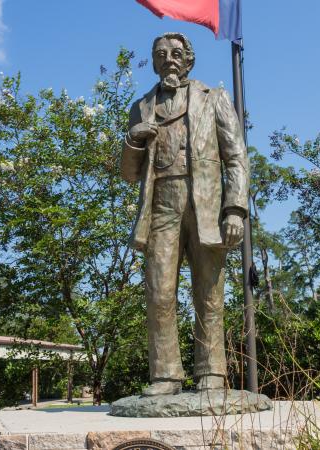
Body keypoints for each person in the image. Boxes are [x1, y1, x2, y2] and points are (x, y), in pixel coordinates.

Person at [120, 32, 249, 396]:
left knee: (208, 292)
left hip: (206, 203)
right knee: (159, 291)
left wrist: (235, 210)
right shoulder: (141, 107)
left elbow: (236, 158)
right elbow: (129, 174)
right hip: (162, 203)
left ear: (189, 60)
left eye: (176, 53)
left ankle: (212, 374)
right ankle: (165, 375)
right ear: (155, 61)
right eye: (161, 54)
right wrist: (134, 140)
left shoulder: (215, 99)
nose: (169, 59)